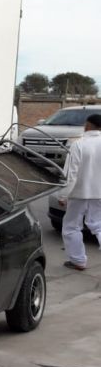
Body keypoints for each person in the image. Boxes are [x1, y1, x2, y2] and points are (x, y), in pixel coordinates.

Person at [60, 113, 101, 270]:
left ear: (88, 126)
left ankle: (78, 261)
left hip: (79, 193)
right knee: (98, 225)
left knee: (71, 227)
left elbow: (71, 174)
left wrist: (63, 195)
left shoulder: (79, 144)